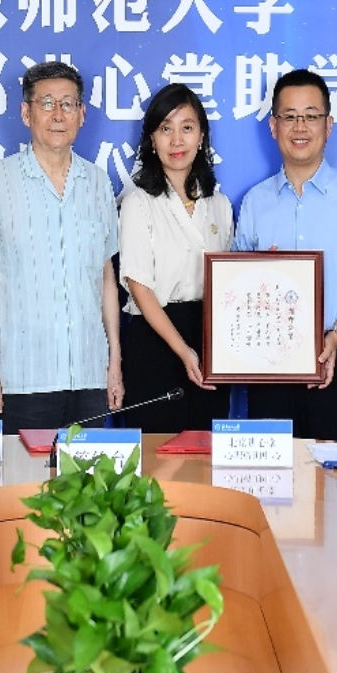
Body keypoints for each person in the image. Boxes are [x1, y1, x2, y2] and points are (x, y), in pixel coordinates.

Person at [0, 61, 122, 433]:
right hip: (24, 378)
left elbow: (105, 280)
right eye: (47, 103)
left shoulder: (98, 183)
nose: (58, 115)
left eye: (68, 104)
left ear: (82, 114)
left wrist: (114, 361)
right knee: (25, 472)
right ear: (26, 112)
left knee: (90, 473)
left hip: (89, 374)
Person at [232, 68, 337, 442]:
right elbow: (237, 287)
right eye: (289, 116)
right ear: (274, 126)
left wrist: (334, 337)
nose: (300, 127)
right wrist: (259, 276)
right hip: (269, 365)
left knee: (336, 474)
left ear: (328, 125)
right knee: (272, 474)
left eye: (311, 116)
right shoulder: (255, 201)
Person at [117, 83, 233, 431]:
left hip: (209, 339)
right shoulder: (138, 202)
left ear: (202, 136)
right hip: (155, 340)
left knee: (206, 448)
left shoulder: (219, 204)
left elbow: (229, 282)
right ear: (152, 140)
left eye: (187, 127)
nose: (177, 140)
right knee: (157, 450)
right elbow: (140, 288)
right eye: (165, 129)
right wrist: (182, 350)